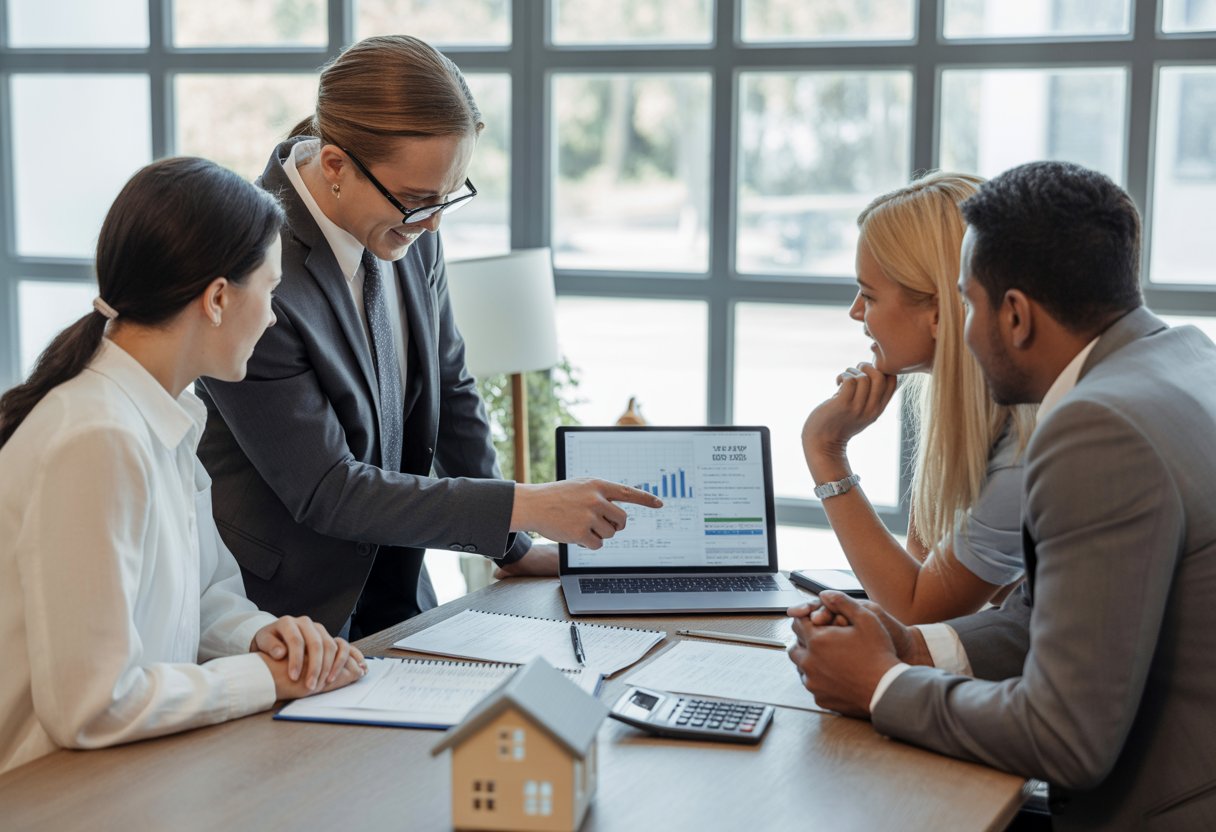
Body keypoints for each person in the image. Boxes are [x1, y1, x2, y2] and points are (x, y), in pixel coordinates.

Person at [787, 161, 1216, 830]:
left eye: (969, 303)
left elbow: (1065, 739)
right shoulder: (1177, 358)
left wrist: (881, 686)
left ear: (1013, 315)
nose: (963, 329)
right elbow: (1045, 614)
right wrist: (909, 648)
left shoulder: (1096, 431)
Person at [196, 35, 660, 640]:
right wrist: (526, 503)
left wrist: (513, 548)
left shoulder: (409, 222)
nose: (434, 223)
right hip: (282, 617)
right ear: (334, 165)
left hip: (398, 596)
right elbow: (327, 489)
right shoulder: (253, 268)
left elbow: (450, 383)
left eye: (447, 198)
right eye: (419, 201)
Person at [0, 158, 366, 775]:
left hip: (126, 778)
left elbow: (202, 593)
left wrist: (260, 636)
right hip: (53, 797)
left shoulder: (165, 413)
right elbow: (93, 705)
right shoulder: (97, 437)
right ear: (218, 299)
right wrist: (261, 679)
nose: (274, 316)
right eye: (270, 290)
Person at [802, 172, 1036, 624]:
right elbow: (924, 570)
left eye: (868, 295)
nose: (855, 312)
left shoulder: (1024, 449)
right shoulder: (970, 408)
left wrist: (825, 451)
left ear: (937, 311)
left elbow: (917, 608)